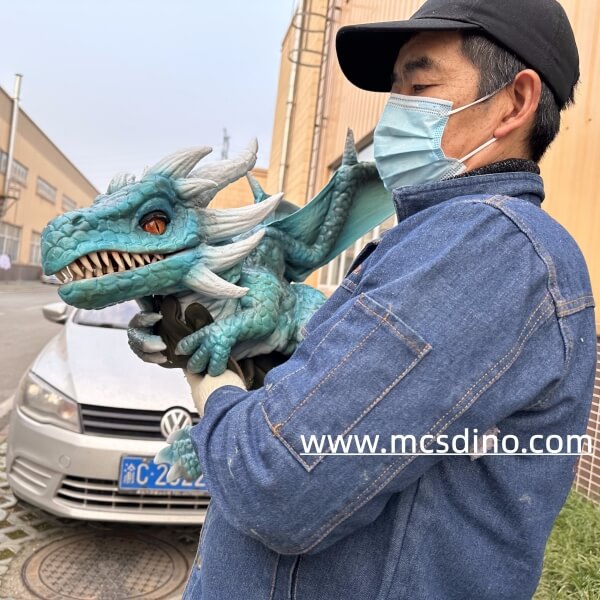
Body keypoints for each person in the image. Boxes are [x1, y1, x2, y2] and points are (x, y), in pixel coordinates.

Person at [173, 0, 597, 597]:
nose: (395, 112)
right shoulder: (436, 238)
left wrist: (212, 386)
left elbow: (279, 482)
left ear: (514, 103)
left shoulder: (486, 244)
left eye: (419, 87)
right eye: (395, 91)